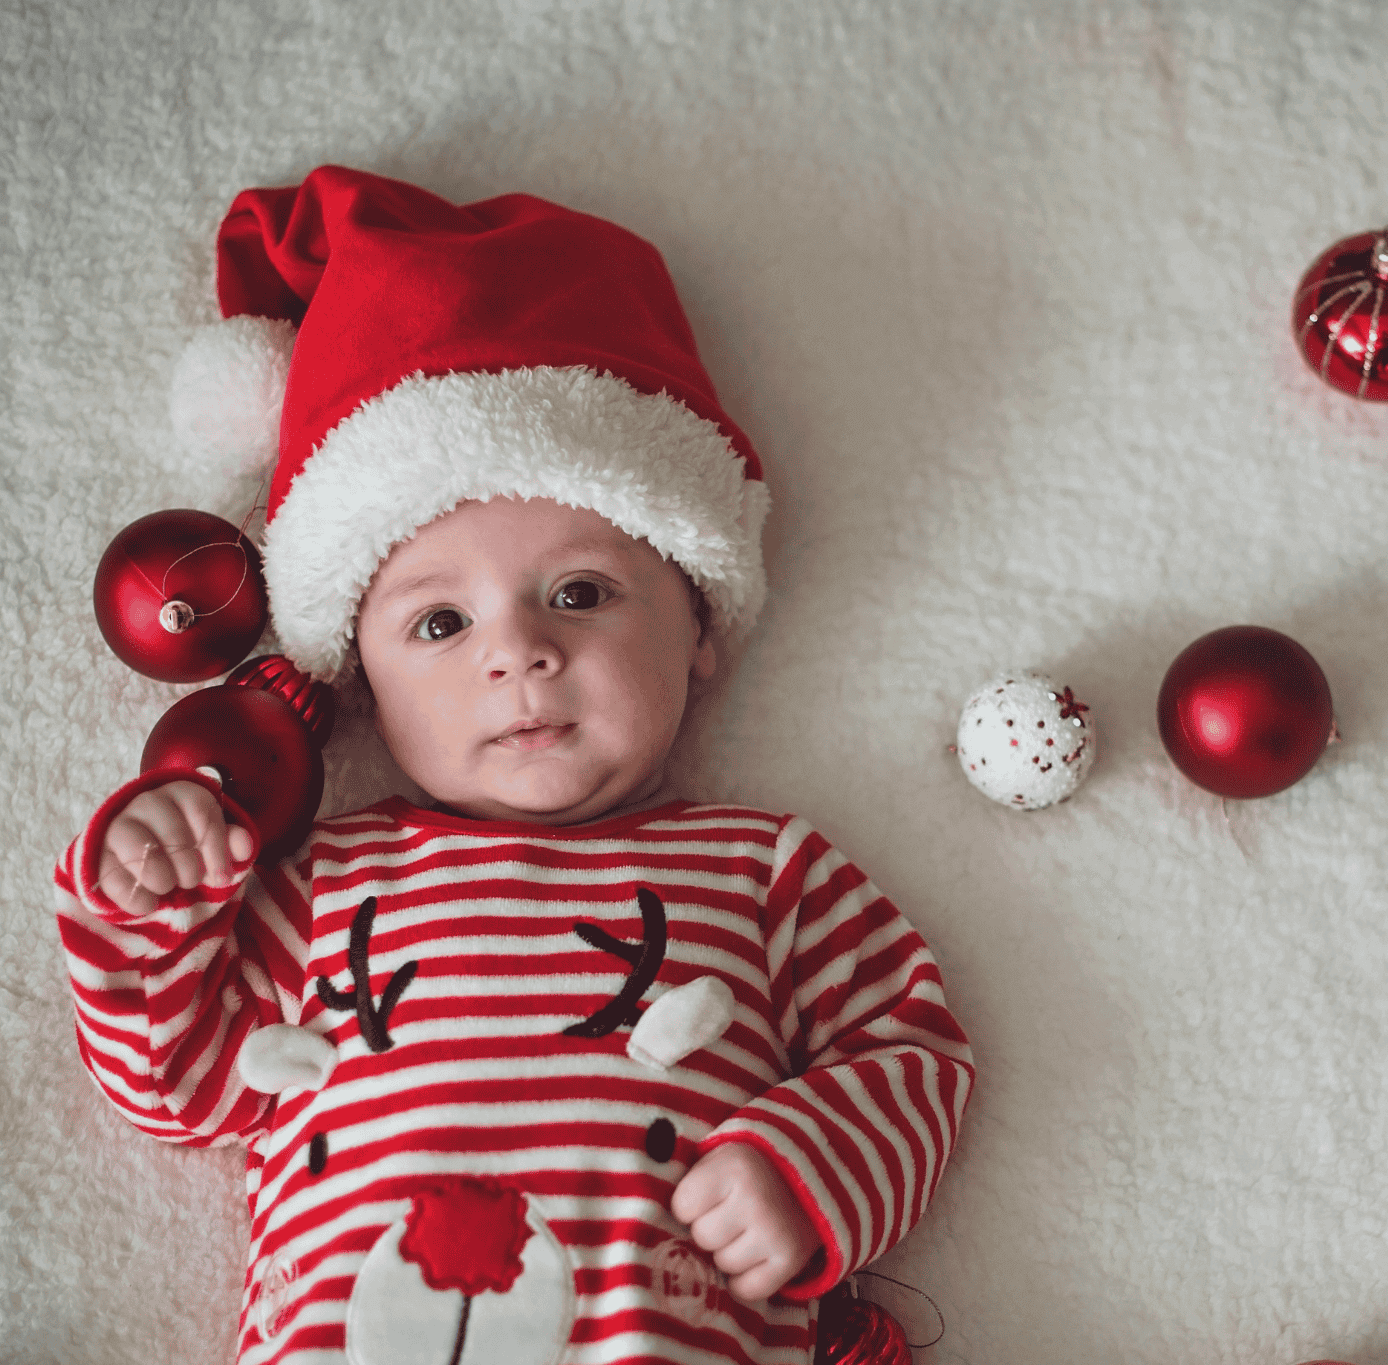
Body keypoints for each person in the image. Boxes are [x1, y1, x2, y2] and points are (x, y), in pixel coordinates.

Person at [51, 166, 973, 1365]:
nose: (520, 654)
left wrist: (806, 1170)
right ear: (357, 682)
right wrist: (150, 898)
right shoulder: (323, 882)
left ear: (697, 627)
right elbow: (175, 1087)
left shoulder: (761, 870)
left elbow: (913, 1048)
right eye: (440, 625)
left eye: (580, 595)